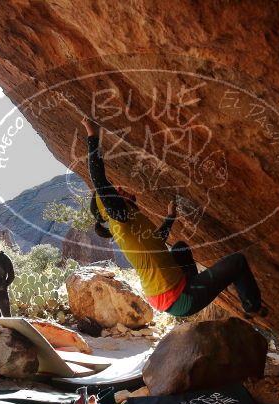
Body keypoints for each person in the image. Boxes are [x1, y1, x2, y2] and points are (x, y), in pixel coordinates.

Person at [82, 117, 268, 319]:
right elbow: (99, 180)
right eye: (114, 190)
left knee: (179, 248)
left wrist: (170, 218)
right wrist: (93, 134)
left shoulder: (130, 224)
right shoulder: (120, 219)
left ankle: (197, 283)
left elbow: (157, 240)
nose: (118, 188)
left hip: (168, 293)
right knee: (237, 262)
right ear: (108, 206)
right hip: (180, 300)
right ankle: (253, 308)